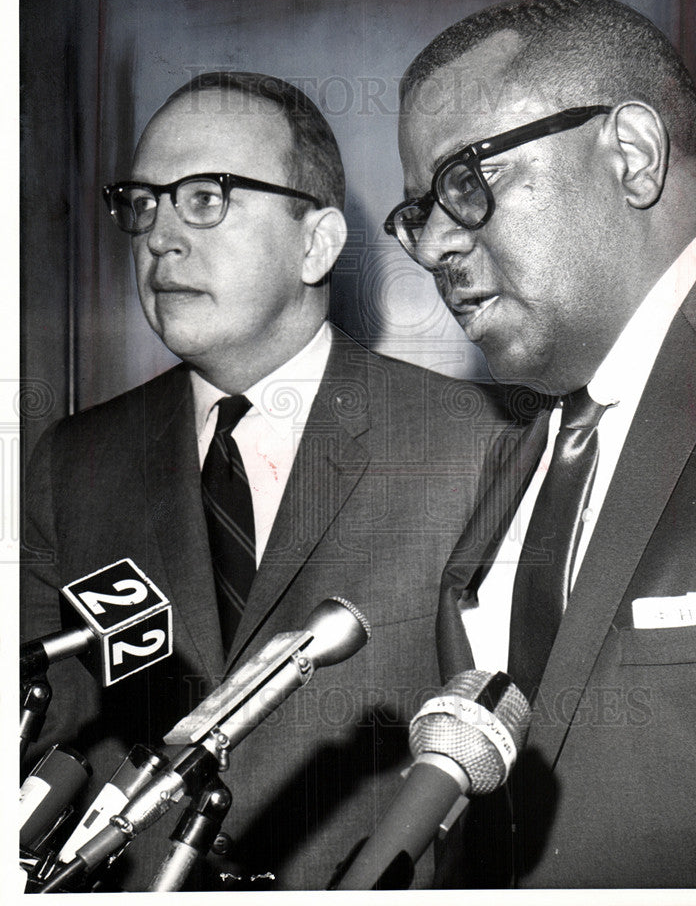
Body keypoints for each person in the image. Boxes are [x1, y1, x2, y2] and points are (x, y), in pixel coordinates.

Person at [20, 71, 505, 891]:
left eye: (205, 197)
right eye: (144, 204)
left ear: (316, 243)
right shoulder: (74, 459)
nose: (160, 238)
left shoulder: (474, 444)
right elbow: (43, 737)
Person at [387, 0, 696, 888]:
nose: (432, 247)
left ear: (631, 155)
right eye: (420, 210)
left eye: (466, 180)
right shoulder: (527, 444)